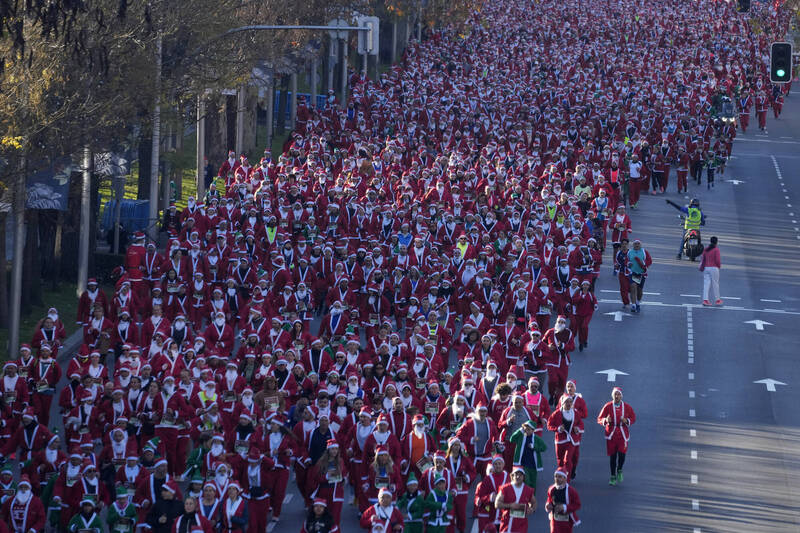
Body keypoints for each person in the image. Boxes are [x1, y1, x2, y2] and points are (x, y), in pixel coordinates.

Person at [597, 387, 636, 486]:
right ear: (612, 395)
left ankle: (619, 469)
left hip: (623, 433)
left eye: (618, 394)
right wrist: (606, 420)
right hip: (611, 433)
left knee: (622, 454)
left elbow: (633, 417)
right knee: (613, 456)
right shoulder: (608, 406)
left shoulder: (626, 406)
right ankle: (613, 476)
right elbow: (599, 418)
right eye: (615, 394)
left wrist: (627, 421)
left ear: (621, 396)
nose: (617, 396)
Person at [494, 466, 536, 533]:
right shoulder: (505, 489)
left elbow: (534, 503)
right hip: (507, 524)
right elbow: (497, 504)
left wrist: (531, 509)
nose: (518, 477)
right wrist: (510, 505)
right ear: (512, 476)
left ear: (523, 477)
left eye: (520, 475)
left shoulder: (528, 490)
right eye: (516, 474)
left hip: (521, 526)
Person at [625, 240, 652, 313]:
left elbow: (649, 260)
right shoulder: (630, 252)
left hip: (641, 274)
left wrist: (644, 265)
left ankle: (637, 302)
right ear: (633, 245)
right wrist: (628, 264)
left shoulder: (644, 252)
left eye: (638, 244)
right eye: (635, 244)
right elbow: (626, 261)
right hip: (633, 273)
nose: (637, 245)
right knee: (633, 287)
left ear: (641, 245)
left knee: (639, 291)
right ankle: (633, 305)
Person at [699, 236, 722, 306]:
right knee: (715, 284)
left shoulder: (706, 249)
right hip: (714, 268)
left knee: (706, 284)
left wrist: (702, 267)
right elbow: (717, 260)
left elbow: (703, 259)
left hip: (706, 268)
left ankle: (705, 300)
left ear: (710, 241)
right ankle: (717, 300)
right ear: (716, 242)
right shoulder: (716, 250)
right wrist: (719, 266)